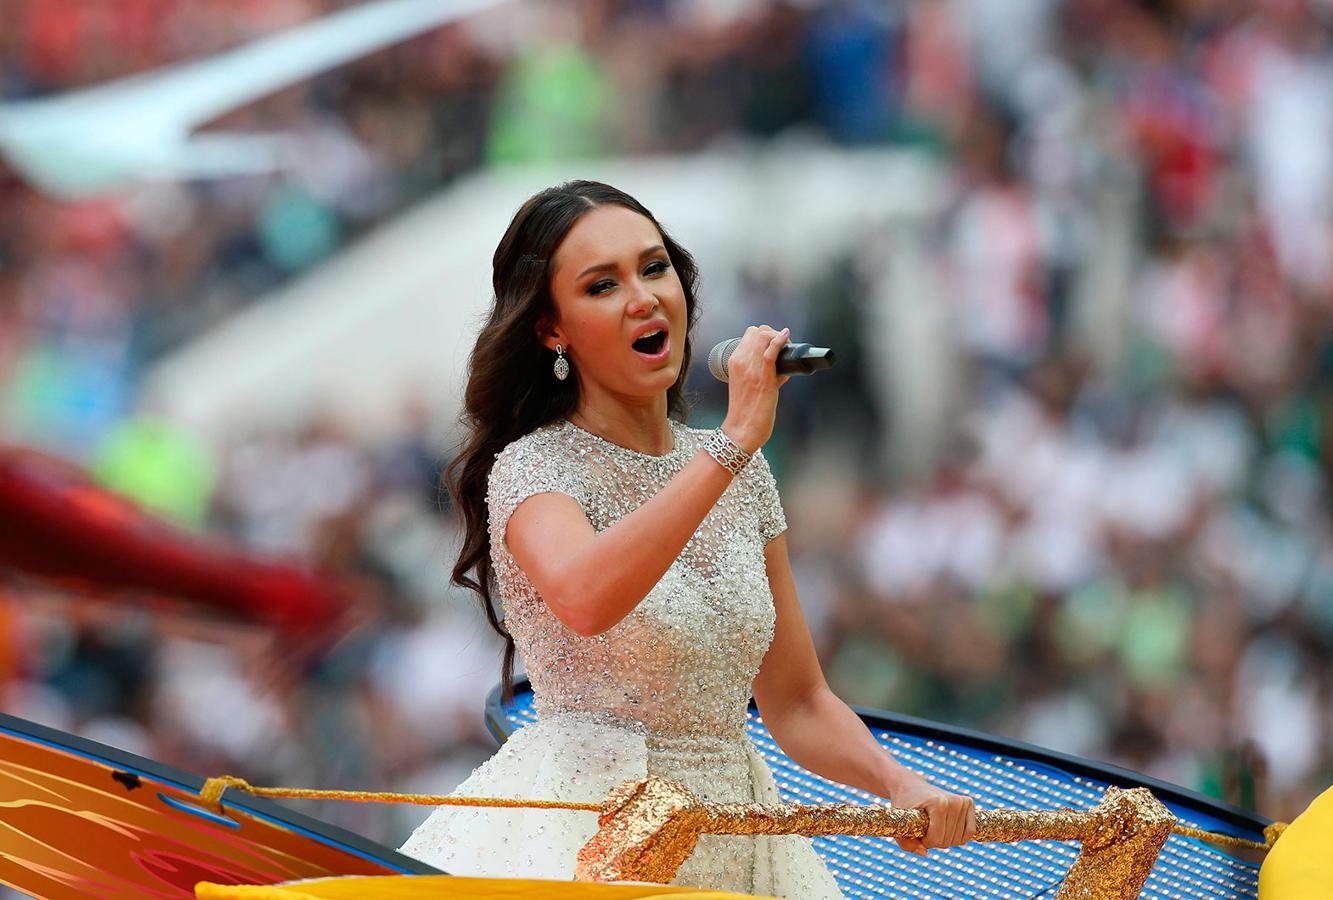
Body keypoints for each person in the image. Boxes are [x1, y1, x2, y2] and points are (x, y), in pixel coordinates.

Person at [399, 180, 976, 896]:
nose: (642, 297)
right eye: (602, 285)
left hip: (739, 840)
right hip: (591, 836)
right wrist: (733, 443)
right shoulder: (535, 468)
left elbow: (795, 702)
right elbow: (584, 598)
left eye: (653, 267)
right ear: (553, 330)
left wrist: (899, 783)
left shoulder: (739, 473)